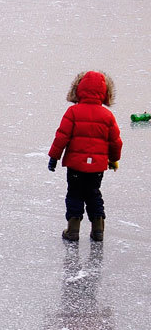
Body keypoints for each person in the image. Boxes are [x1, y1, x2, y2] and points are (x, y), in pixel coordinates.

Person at [47, 70, 123, 242]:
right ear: (105, 93)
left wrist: (54, 157)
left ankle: (73, 230)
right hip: (97, 167)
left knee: (74, 193)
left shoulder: (73, 112)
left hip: (75, 166)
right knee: (93, 194)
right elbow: (115, 142)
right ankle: (98, 230)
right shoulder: (107, 116)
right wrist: (113, 159)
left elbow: (61, 137)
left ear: (78, 89)